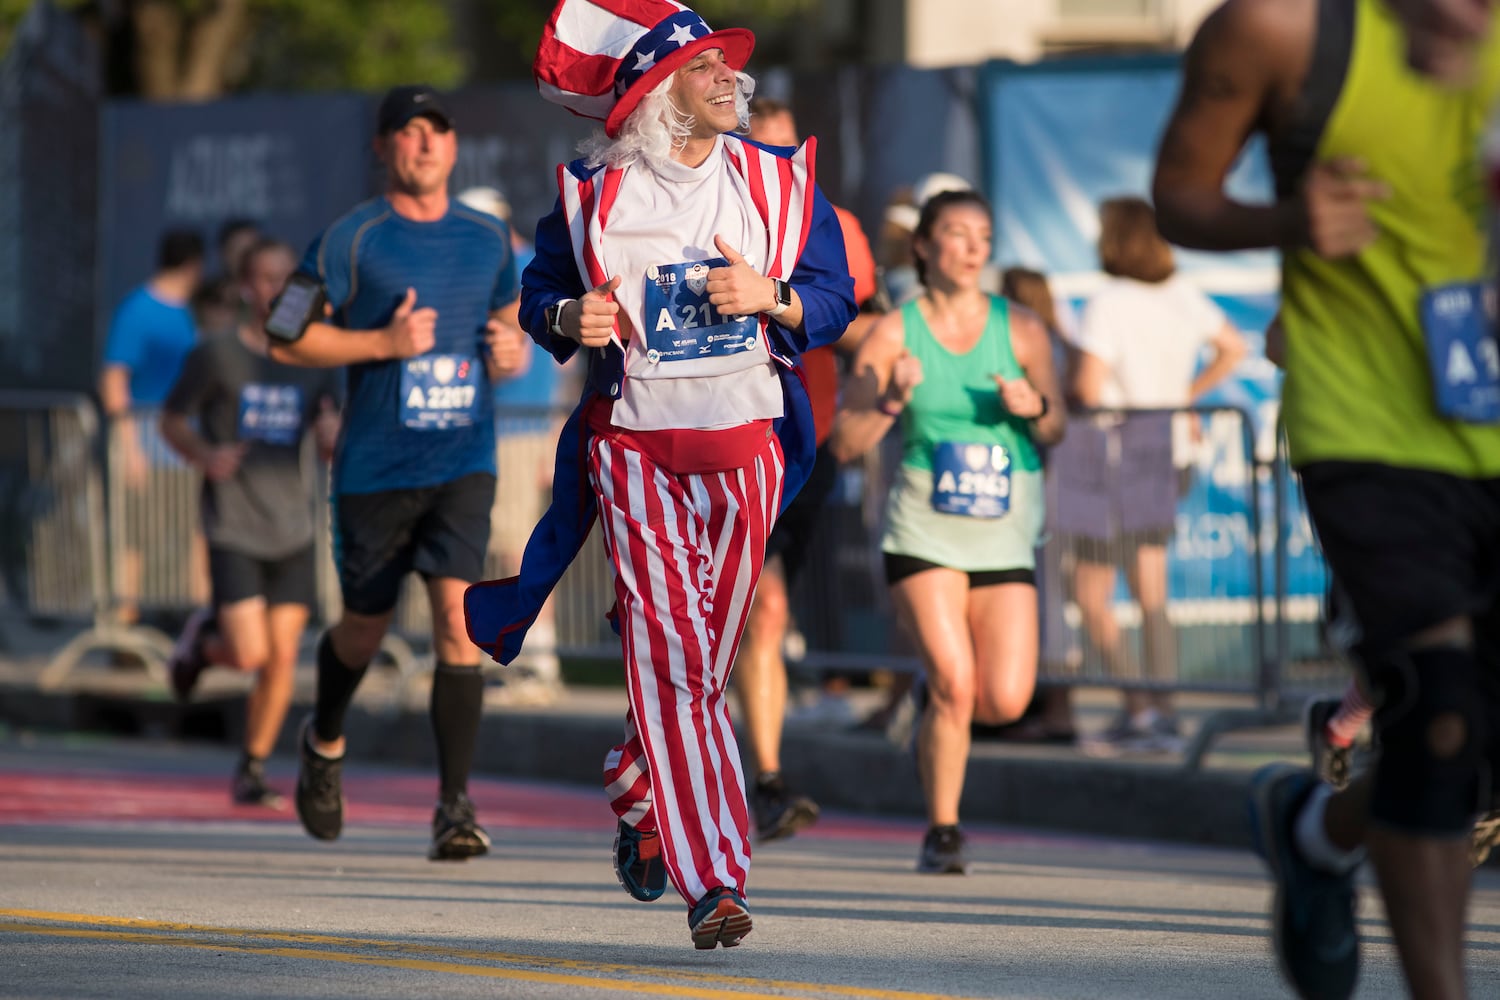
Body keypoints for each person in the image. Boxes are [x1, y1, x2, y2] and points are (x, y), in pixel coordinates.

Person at [464, 0, 856, 949]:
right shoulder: (593, 196)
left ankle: (640, 788)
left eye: (729, 65)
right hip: (634, 450)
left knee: (702, 668)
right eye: (707, 68)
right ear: (656, 94)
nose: (732, 79)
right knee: (676, 664)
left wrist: (776, 297)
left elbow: (837, 300)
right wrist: (568, 321)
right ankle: (714, 878)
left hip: (750, 448)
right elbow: (539, 295)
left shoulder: (779, 186)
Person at [1152, 3, 1500, 998]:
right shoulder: (1278, 32)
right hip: (1369, 424)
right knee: (1436, 712)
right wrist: (1286, 221)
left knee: (1475, 743)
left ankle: (1313, 832)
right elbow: (1179, 194)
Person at [268, 85, 527, 861]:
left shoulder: (488, 238)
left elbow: (510, 320)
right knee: (363, 628)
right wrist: (380, 343)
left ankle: (454, 807)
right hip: (376, 470)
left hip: (462, 463)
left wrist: (511, 351)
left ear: (453, 148)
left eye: (436, 131)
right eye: (407, 132)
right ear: (382, 148)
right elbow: (282, 336)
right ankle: (326, 738)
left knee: (458, 621)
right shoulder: (350, 238)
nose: (423, 144)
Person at [830, 189, 1066, 874]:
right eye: (956, 234)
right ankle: (943, 830)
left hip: (1004, 528)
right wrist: (893, 399)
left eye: (982, 235)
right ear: (925, 247)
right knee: (957, 682)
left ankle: (931, 728)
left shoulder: (1021, 329)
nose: (971, 248)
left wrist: (1035, 404)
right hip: (924, 529)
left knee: (1005, 698)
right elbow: (845, 440)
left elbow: (1056, 426)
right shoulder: (892, 332)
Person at [731, 95, 880, 843]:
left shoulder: (831, 219)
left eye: (794, 153)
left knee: (767, 610)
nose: (783, 166)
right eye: (767, 150)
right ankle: (736, 772)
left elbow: (866, 322)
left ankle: (757, 774)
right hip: (721, 435)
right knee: (737, 613)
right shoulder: (714, 204)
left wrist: (882, 393)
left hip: (801, 440)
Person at [1057, 197, 1247, 753]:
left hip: (1115, 455)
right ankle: (1161, 709)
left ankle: (1140, 708)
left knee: (1091, 590)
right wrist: (1183, 396)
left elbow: (1088, 388)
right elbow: (1232, 347)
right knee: (1152, 587)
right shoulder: (1181, 296)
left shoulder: (1107, 302)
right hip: (1168, 453)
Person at [160, 239, 341, 808]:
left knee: (283, 656)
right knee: (249, 654)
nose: (273, 288)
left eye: (284, 277)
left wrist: (334, 438)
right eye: (262, 278)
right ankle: (200, 642)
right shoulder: (217, 354)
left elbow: (326, 429)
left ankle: (253, 768)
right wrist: (205, 456)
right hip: (234, 524)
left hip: (292, 527)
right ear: (245, 288)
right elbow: (171, 420)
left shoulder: (312, 357)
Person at [456, 185, 565, 706]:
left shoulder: (503, 269)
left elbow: (511, 360)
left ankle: (531, 664)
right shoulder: (527, 263)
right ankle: (528, 659)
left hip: (509, 433)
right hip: (517, 430)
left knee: (512, 545)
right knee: (515, 545)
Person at [98, 228, 207, 645]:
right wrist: (129, 449)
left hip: (188, 449)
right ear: (194, 264)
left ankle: (196, 628)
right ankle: (125, 631)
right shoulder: (137, 310)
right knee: (137, 537)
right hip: (149, 446)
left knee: (196, 535)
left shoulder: (192, 312)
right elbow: (114, 381)